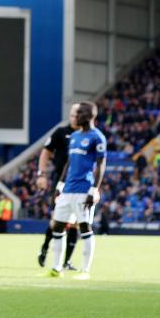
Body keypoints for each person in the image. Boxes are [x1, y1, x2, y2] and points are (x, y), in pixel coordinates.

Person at [48, 101, 106, 280]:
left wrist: (94, 189)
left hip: (84, 189)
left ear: (88, 116)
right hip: (68, 190)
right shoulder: (74, 136)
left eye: (79, 113)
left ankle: (85, 271)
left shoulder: (97, 137)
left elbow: (101, 164)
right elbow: (69, 163)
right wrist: (59, 186)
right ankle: (57, 268)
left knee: (84, 227)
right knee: (57, 225)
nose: (75, 116)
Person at [36, 104, 80, 270]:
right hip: (61, 183)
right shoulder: (61, 132)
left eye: (76, 115)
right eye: (72, 115)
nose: (73, 118)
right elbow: (46, 152)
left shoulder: (87, 136)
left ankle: (66, 261)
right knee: (57, 221)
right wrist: (41, 174)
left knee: (75, 222)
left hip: (79, 184)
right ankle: (45, 248)